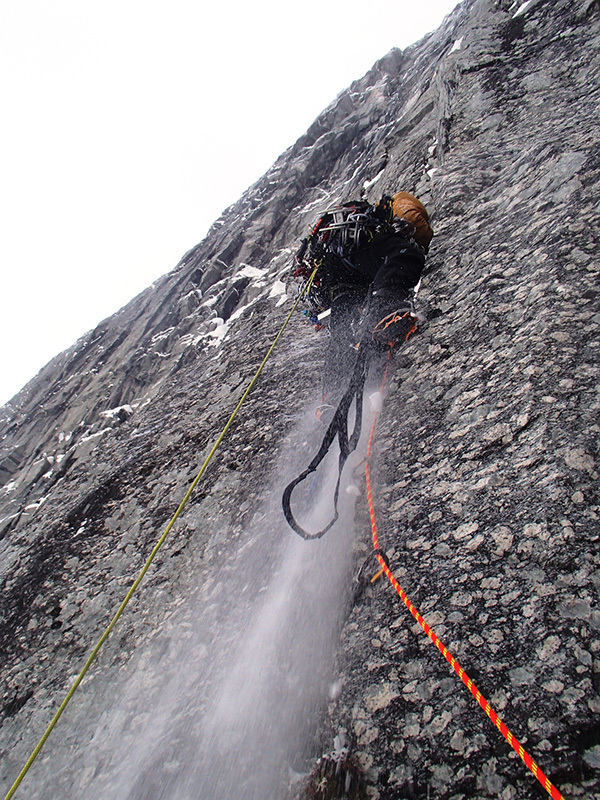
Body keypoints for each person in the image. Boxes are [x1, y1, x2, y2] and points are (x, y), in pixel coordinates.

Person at [317, 192, 433, 411]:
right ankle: (386, 312)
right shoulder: (395, 210)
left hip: (336, 272)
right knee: (405, 254)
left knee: (342, 325)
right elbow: (416, 227)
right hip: (356, 256)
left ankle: (330, 395)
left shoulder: (347, 229)